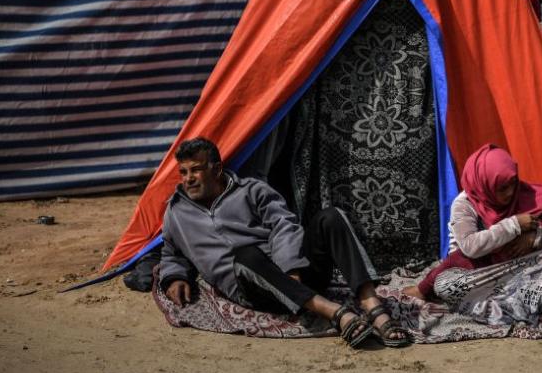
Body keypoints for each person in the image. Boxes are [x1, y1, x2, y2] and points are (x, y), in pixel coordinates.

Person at [158, 137, 410, 348]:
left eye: (196, 170)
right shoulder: (176, 212)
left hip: (294, 275)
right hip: (253, 290)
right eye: (183, 172)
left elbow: (284, 224)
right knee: (245, 254)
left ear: (216, 169)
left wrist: (291, 267)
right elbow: (171, 251)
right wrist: (174, 277)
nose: (188, 178)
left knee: (330, 217)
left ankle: (372, 305)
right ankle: (335, 313)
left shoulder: (251, 190)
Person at [403, 144, 542, 326]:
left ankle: (507, 308)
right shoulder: (464, 204)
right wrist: (513, 225)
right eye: (501, 188)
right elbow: (469, 248)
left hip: (520, 270)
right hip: (479, 273)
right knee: (444, 285)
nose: (510, 192)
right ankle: (520, 307)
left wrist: (534, 238)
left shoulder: (527, 195)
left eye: (512, 184)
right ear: (485, 185)